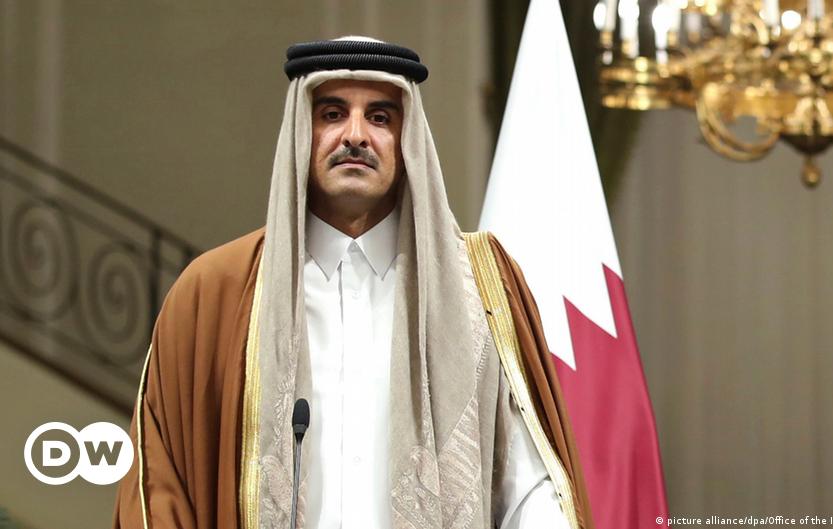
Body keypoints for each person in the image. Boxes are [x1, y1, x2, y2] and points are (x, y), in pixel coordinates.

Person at [112, 37, 593, 529]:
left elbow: (528, 488)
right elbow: (160, 480)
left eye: (380, 117)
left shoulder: (481, 290)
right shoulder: (215, 293)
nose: (356, 135)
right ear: (301, 130)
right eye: (333, 113)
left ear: (409, 140)